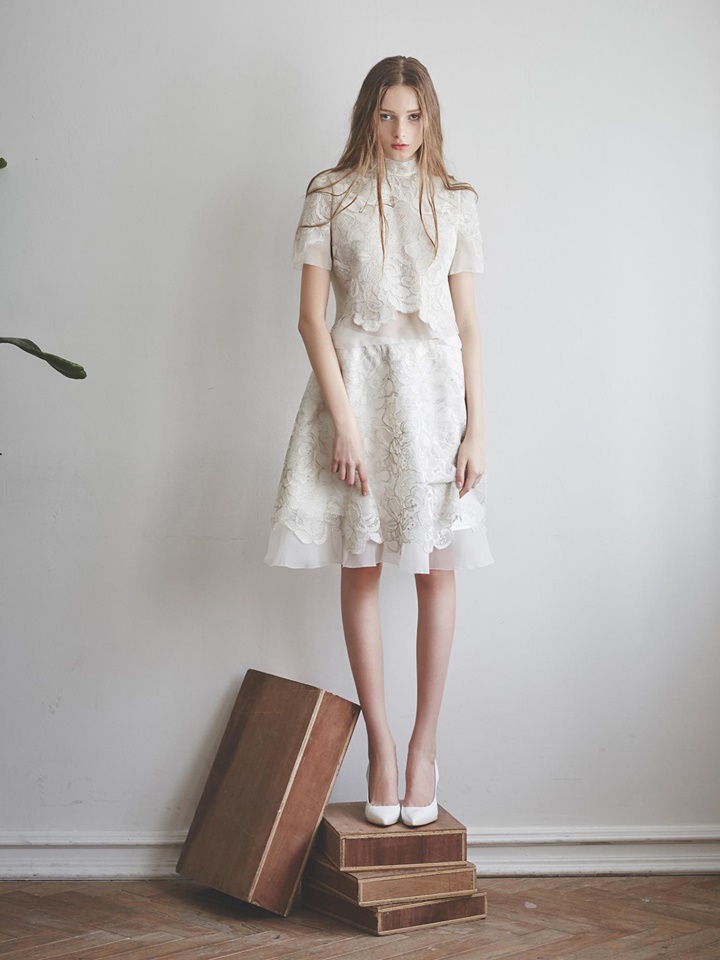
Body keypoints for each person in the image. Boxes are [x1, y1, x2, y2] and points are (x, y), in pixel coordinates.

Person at [265, 55, 494, 827]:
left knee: (435, 568)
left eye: (414, 116)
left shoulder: (455, 201)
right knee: (360, 564)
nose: (401, 131)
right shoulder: (331, 194)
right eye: (388, 114)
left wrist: (477, 428)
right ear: (369, 114)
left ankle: (426, 746)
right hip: (356, 390)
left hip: (434, 399)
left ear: (431, 120)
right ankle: (383, 747)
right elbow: (311, 320)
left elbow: (468, 326)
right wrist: (344, 423)